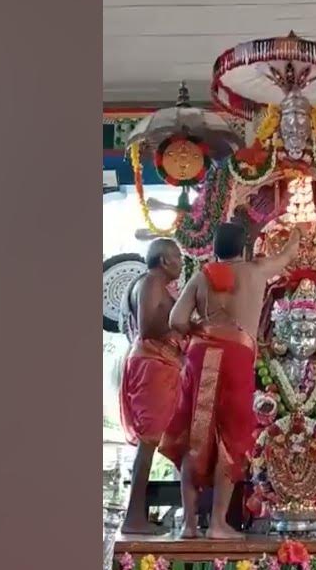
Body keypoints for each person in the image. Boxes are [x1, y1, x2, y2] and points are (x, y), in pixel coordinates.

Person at [160, 220, 301, 539]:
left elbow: (177, 320)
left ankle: (190, 524)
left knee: (195, 436)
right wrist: (295, 234)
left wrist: (203, 329)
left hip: (201, 357)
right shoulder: (256, 271)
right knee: (231, 437)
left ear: (214, 249)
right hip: (236, 358)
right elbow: (287, 255)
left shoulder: (200, 276)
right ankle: (219, 524)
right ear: (245, 248)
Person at [118, 238, 186, 534]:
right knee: (149, 442)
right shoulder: (151, 282)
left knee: (165, 439)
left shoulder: (153, 284)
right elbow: (147, 327)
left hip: (158, 365)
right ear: (163, 260)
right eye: (177, 257)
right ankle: (134, 518)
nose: (181, 263)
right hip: (153, 366)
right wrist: (184, 324)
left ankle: (166, 513)